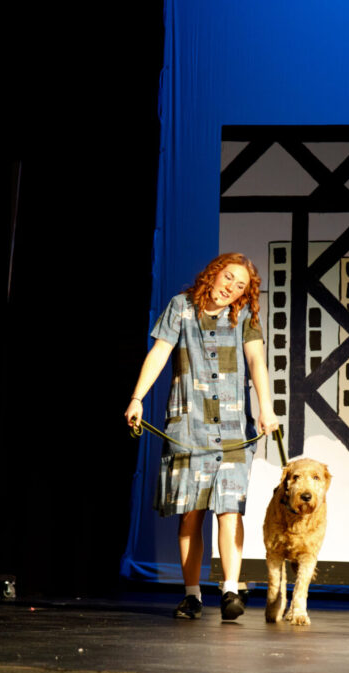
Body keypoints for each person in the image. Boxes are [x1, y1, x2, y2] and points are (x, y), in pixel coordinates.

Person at [125, 253, 279, 621]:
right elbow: (160, 352)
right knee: (190, 513)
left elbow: (257, 361)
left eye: (241, 285)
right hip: (188, 425)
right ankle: (192, 594)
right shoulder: (180, 307)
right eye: (229, 278)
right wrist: (137, 398)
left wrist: (266, 407)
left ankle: (230, 589)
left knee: (229, 508)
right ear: (213, 273)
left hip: (231, 429)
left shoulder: (244, 317)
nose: (231, 288)